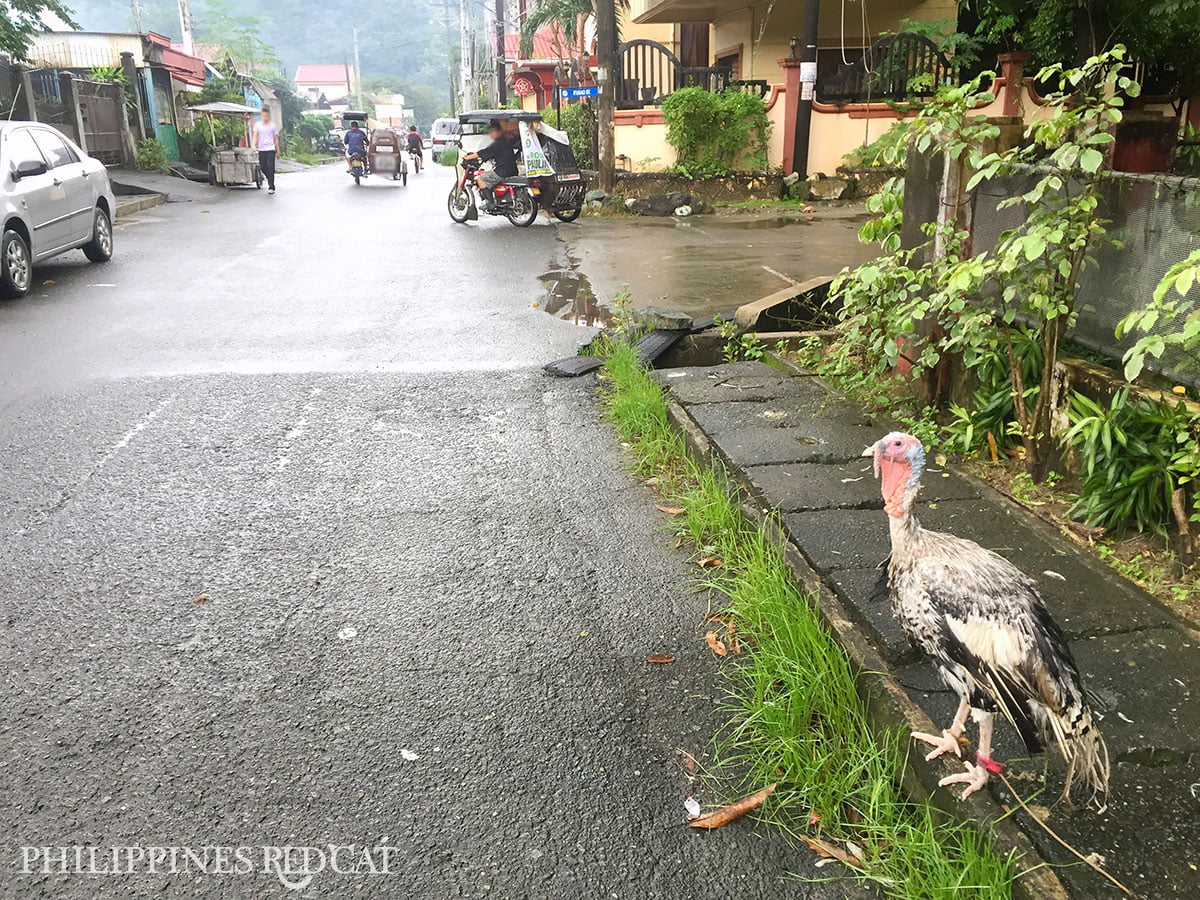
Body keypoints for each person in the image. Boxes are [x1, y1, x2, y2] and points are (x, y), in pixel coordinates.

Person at [462, 119, 517, 210]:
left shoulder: (498, 143)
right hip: (512, 170)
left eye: (493, 132)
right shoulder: (505, 141)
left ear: (499, 132)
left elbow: (484, 152)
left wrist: (468, 157)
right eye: (490, 132)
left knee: (481, 179)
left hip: (502, 171)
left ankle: (490, 203)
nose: (491, 134)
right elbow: (490, 153)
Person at [251, 108, 281, 194]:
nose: (265, 117)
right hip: (262, 149)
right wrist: (254, 146)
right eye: (264, 116)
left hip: (271, 149)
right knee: (263, 167)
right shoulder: (258, 125)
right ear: (261, 116)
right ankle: (270, 179)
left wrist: (278, 150)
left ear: (269, 116)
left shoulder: (272, 126)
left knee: (270, 167)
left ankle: (271, 186)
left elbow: (276, 139)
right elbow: (255, 136)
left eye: (267, 116)